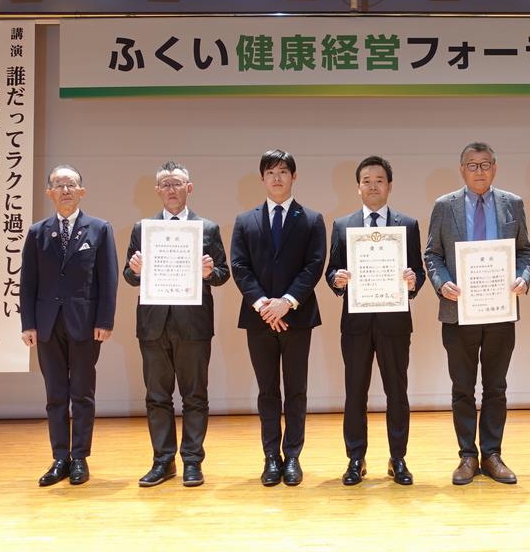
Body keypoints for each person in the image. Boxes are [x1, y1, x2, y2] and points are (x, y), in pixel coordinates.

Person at [425, 142, 530, 485]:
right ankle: (467, 457)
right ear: (462, 170)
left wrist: (523, 276)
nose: (479, 171)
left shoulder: (512, 203)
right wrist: (442, 283)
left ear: (495, 168)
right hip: (459, 312)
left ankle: (492, 454)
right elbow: (432, 255)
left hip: (500, 310)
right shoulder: (445, 206)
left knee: (496, 387)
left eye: (485, 164)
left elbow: (525, 252)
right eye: (472, 165)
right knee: (462, 388)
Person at [123, 161, 230, 488]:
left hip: (193, 325)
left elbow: (223, 274)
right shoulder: (143, 229)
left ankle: (193, 462)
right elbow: (129, 276)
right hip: (153, 325)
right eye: (166, 184)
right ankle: (163, 461)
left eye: (177, 183)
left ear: (189, 188)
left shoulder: (207, 228)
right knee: (157, 396)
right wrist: (135, 270)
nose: (171, 189)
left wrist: (209, 273)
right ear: (157, 190)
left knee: (195, 395)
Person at [326, 156, 425, 486]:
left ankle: (398, 458)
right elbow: (331, 270)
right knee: (355, 392)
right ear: (358, 187)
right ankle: (356, 458)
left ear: (389, 186)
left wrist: (413, 280)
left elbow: (418, 271)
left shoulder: (407, 225)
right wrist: (337, 279)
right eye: (366, 181)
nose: (372, 186)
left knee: (397, 392)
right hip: (355, 325)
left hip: (394, 323)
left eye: (379, 180)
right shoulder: (343, 225)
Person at [230, 149, 326, 487]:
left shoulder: (311, 219)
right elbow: (239, 266)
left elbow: (314, 265)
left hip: (297, 317)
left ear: (294, 177)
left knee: (296, 390)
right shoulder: (245, 221)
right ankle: (271, 456)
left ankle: (293, 457)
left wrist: (286, 302)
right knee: (267, 390)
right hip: (258, 319)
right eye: (270, 172)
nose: (277, 178)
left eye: (283, 171)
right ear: (262, 178)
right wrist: (264, 305)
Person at [20, 164, 118, 487]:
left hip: (86, 325)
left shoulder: (99, 229)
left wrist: (105, 320)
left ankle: (80, 458)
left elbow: (108, 279)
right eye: (59, 185)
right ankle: (59, 457)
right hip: (47, 325)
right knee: (55, 394)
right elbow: (28, 281)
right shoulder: (37, 232)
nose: (65, 190)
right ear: (49, 192)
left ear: (82, 192)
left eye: (71, 185)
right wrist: (28, 323)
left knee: (82, 394)